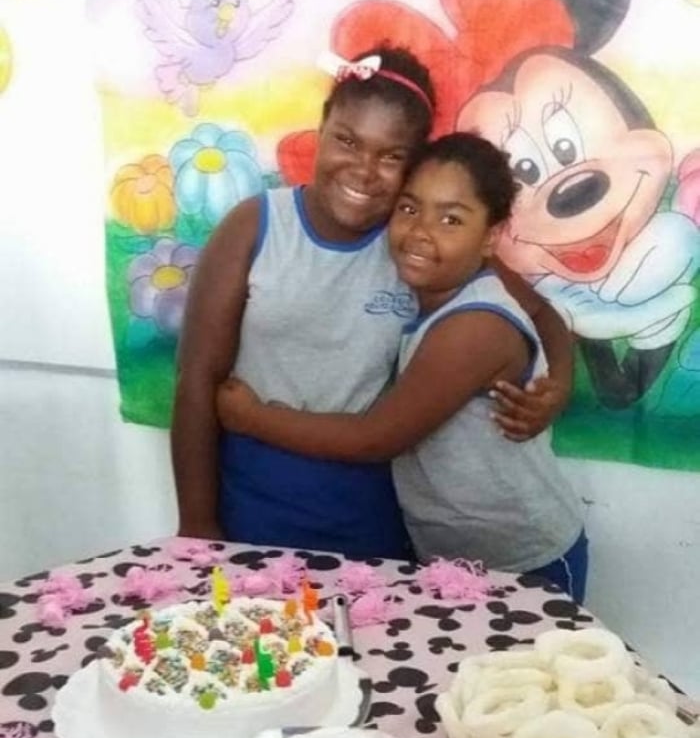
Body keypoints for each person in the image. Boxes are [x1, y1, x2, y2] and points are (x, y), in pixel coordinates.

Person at [172, 45, 573, 561]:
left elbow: (540, 314)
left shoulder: (416, 244)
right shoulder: (255, 226)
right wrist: (197, 522)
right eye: (347, 140)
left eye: (391, 156)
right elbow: (197, 378)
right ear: (321, 131)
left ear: (413, 164)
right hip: (252, 498)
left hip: (372, 511)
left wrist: (556, 387)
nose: (363, 170)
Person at [217, 132, 587, 601]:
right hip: (452, 562)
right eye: (410, 208)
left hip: (525, 563)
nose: (421, 232)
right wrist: (559, 381)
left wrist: (252, 417)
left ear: (491, 237)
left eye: (451, 219)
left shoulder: (474, 327)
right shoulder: (445, 287)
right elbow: (542, 313)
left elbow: (376, 438)